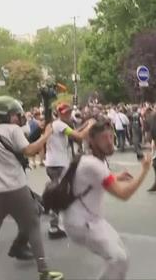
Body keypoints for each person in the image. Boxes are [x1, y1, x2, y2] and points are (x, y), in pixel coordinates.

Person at [0, 96, 63, 280]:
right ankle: (44, 271)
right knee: (32, 227)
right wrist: (47, 134)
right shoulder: (14, 130)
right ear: (6, 115)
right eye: (15, 114)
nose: (18, 117)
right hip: (17, 189)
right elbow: (30, 150)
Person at [62, 120, 152, 280]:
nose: (110, 142)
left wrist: (116, 176)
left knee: (121, 255)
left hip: (93, 220)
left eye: (111, 137)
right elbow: (123, 194)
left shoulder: (95, 161)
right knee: (119, 259)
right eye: (104, 138)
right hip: (81, 224)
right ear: (91, 140)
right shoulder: (93, 165)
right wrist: (144, 170)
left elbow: (97, 179)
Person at [45, 102, 96, 240]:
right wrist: (90, 125)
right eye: (65, 113)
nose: (68, 115)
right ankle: (69, 224)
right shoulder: (59, 125)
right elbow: (78, 137)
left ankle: (56, 225)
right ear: (59, 114)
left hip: (53, 164)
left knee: (61, 193)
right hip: (59, 165)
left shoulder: (56, 125)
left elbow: (75, 131)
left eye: (68, 112)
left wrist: (85, 125)